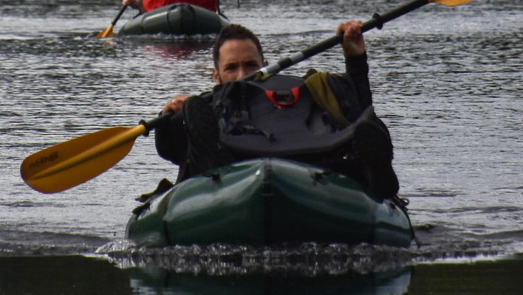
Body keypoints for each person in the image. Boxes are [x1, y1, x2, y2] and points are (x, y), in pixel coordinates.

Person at [150, 21, 400, 200]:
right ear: (216, 76)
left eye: (250, 66)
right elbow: (172, 151)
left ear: (266, 67)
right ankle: (215, 172)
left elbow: (358, 112)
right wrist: (169, 117)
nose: (241, 76)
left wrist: (355, 59)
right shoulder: (207, 107)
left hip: (308, 168)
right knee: (198, 122)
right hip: (235, 173)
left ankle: (374, 174)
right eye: (231, 68)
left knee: (365, 124)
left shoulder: (300, 93)